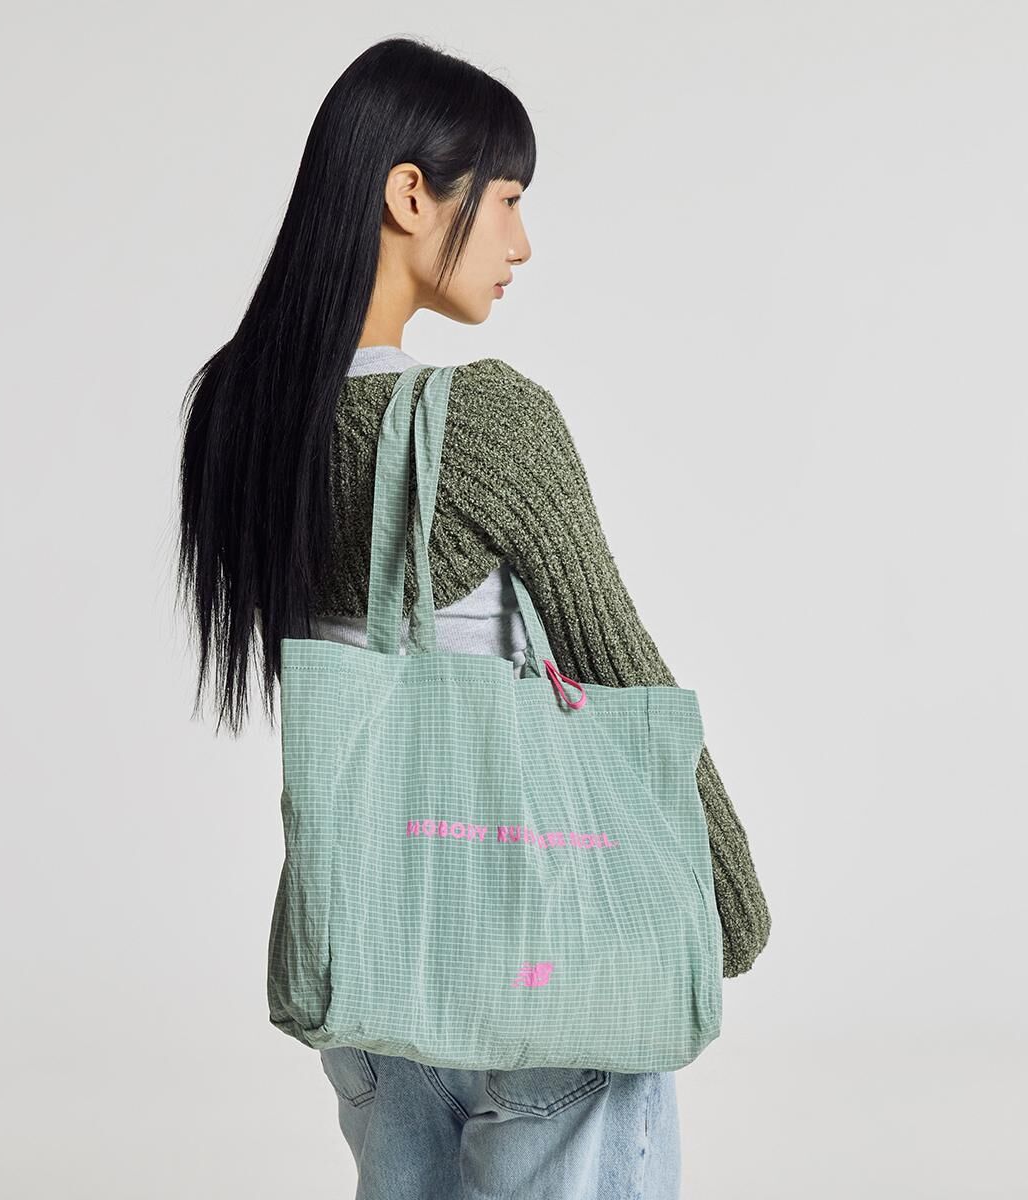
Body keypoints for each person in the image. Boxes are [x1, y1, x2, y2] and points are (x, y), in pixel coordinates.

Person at [176, 35, 770, 1200]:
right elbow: (616, 667)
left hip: (375, 945)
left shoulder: (239, 413)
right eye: (505, 199)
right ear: (411, 195)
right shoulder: (485, 421)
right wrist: (729, 898)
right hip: (545, 950)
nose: (521, 241)